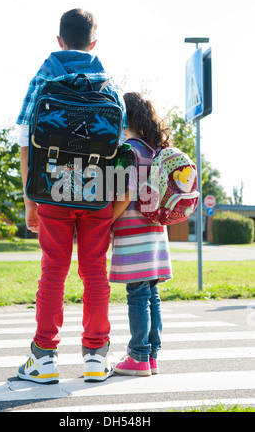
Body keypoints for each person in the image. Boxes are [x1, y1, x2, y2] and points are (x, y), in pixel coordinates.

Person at [17, 8, 126, 384]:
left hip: (50, 189)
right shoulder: (109, 85)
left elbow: (25, 141)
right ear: (94, 43)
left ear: (59, 40)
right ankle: (96, 356)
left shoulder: (43, 78)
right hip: (96, 191)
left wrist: (30, 198)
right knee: (94, 270)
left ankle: (44, 358)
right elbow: (119, 145)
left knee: (53, 271)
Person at [109, 92, 173, 376]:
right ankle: (152, 355)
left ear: (124, 118)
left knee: (136, 294)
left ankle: (137, 356)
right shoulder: (155, 150)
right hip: (156, 233)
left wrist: (107, 222)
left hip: (132, 234)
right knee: (151, 293)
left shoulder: (126, 152)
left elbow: (124, 193)